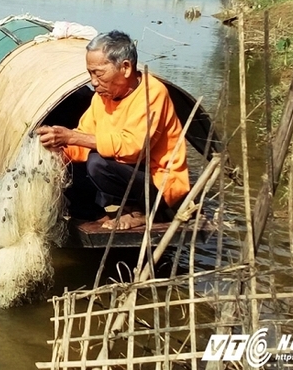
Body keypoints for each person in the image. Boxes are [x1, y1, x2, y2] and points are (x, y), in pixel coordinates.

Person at [36, 30, 189, 230]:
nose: (93, 82)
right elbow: (81, 143)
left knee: (97, 163)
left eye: (98, 73)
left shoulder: (152, 93)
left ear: (125, 68)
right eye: (90, 73)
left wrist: (71, 135)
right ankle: (104, 211)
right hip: (126, 175)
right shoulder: (101, 97)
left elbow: (134, 147)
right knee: (69, 171)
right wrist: (58, 150)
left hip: (159, 186)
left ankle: (142, 212)